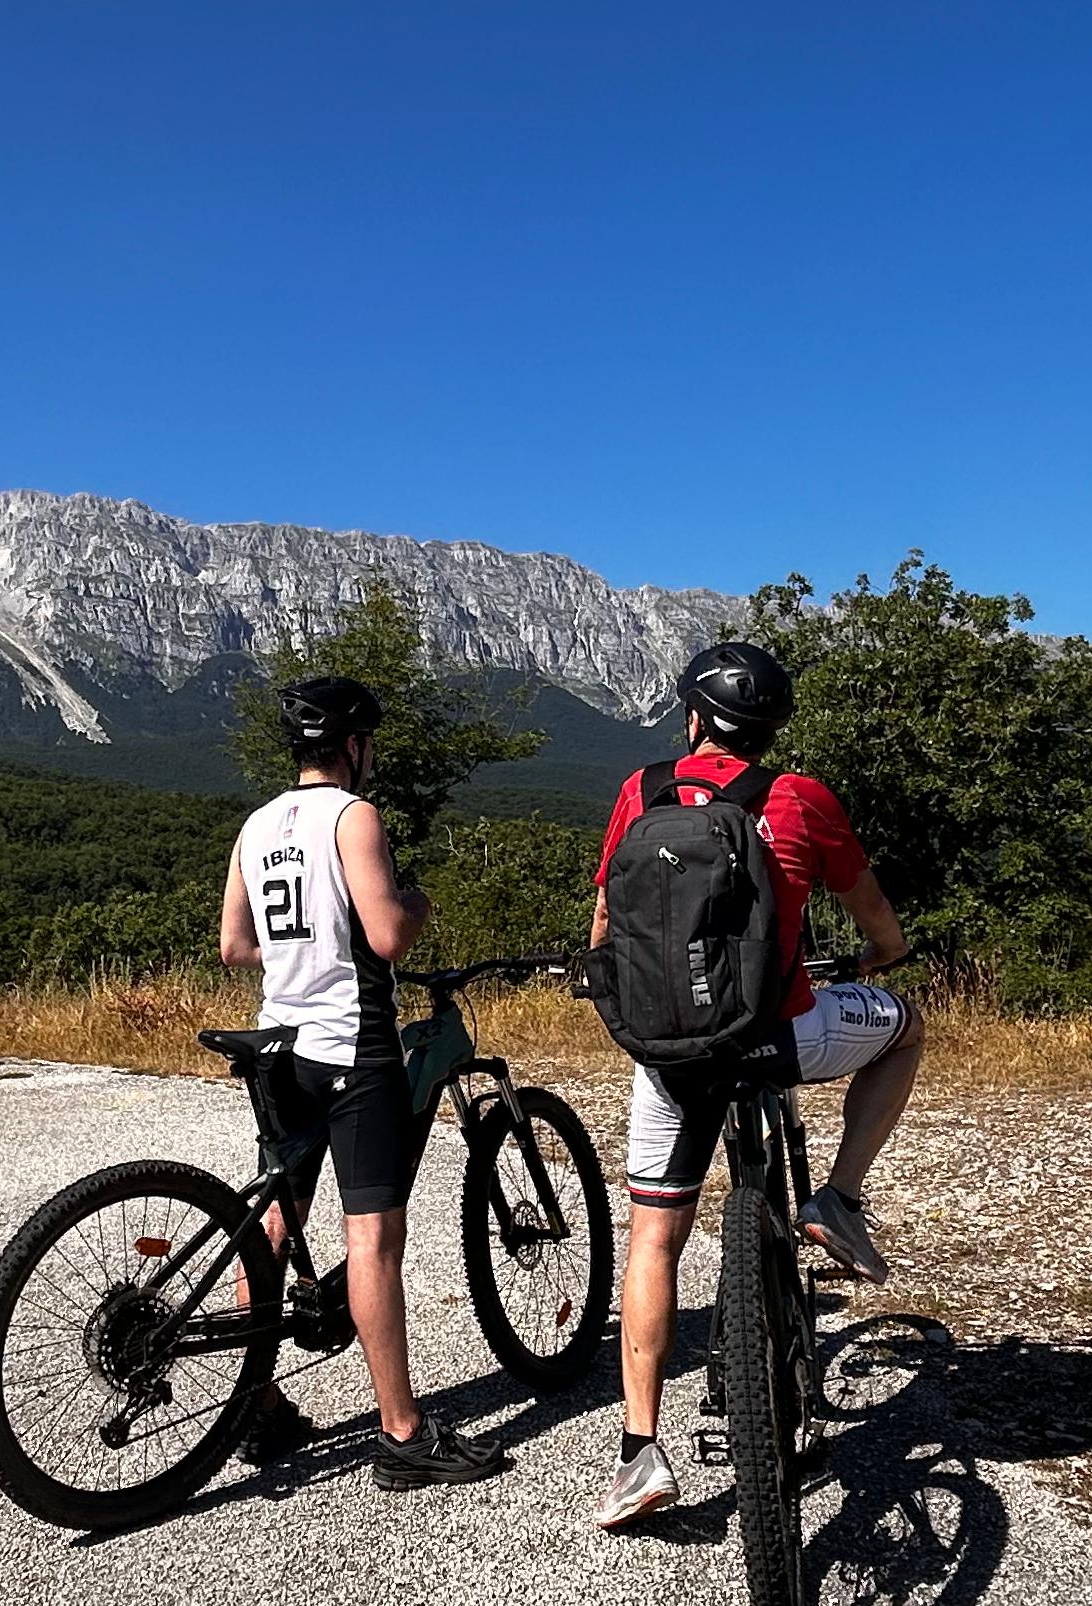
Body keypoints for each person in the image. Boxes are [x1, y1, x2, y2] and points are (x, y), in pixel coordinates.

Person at [583, 639, 922, 1532]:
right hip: (781, 1037)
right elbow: (879, 927)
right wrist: (878, 959)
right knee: (906, 1026)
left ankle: (638, 1452)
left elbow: (609, 922)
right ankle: (838, 1197)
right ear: (770, 727)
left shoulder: (641, 791)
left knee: (654, 1237)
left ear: (692, 718)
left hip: (670, 1052)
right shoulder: (801, 797)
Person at [217, 675, 511, 1490]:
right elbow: (386, 937)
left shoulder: (256, 823)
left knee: (275, 1220)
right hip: (351, 1044)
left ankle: (257, 1400)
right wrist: (415, 900)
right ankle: (404, 1432)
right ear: (353, 746)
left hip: (279, 1042)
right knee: (371, 1238)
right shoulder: (354, 816)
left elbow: (236, 946)